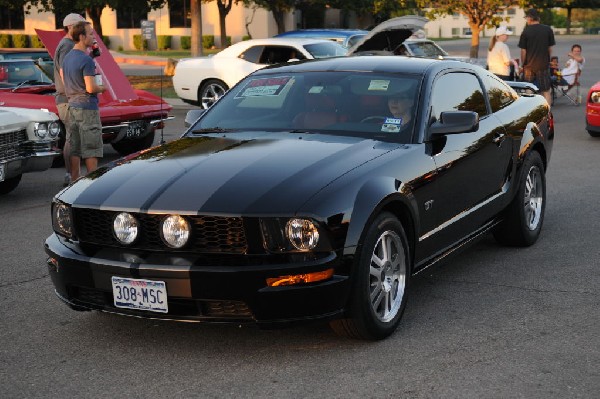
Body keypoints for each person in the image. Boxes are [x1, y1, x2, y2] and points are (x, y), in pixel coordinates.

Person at [61, 20, 106, 182]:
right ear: (81, 36)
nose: (94, 37)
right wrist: (103, 87)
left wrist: (91, 57)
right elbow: (91, 88)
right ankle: (91, 184)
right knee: (91, 147)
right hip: (87, 107)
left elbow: (66, 79)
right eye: (91, 34)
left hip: (72, 106)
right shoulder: (86, 60)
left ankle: (74, 180)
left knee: (75, 146)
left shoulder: (67, 58)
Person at [54, 13, 86, 186]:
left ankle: (72, 175)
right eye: (80, 26)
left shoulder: (69, 45)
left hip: (69, 97)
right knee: (73, 138)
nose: (84, 30)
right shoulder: (66, 46)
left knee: (73, 137)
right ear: (71, 27)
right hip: (68, 99)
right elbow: (65, 73)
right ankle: (72, 176)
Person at [518, 8, 556, 106]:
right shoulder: (548, 29)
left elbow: (523, 50)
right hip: (543, 65)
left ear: (530, 18)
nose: (526, 20)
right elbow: (550, 48)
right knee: (546, 90)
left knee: (528, 90)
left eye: (526, 18)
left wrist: (523, 64)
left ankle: (529, 111)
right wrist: (547, 59)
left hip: (529, 66)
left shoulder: (526, 31)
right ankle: (547, 114)